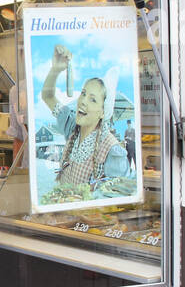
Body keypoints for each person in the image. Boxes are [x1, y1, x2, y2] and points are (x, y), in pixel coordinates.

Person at [40, 44, 127, 194]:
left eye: (93, 100)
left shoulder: (112, 150)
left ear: (103, 112)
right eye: (84, 93)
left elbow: (116, 199)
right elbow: (47, 96)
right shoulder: (71, 127)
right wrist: (56, 69)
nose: (83, 101)